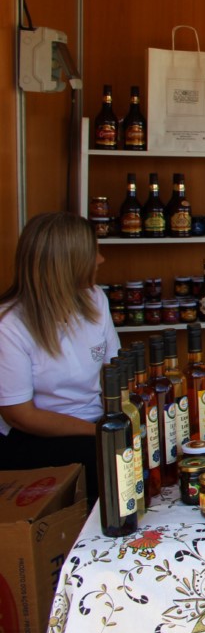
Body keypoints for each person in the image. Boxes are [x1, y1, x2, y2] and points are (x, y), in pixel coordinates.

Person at [0, 212, 120, 505]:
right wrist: (97, 432)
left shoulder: (95, 299)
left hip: (96, 422)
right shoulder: (9, 325)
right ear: (68, 265)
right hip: (36, 437)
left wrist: (125, 418)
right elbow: (19, 415)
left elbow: (113, 369)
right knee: (107, 463)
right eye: (93, 253)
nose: (100, 260)